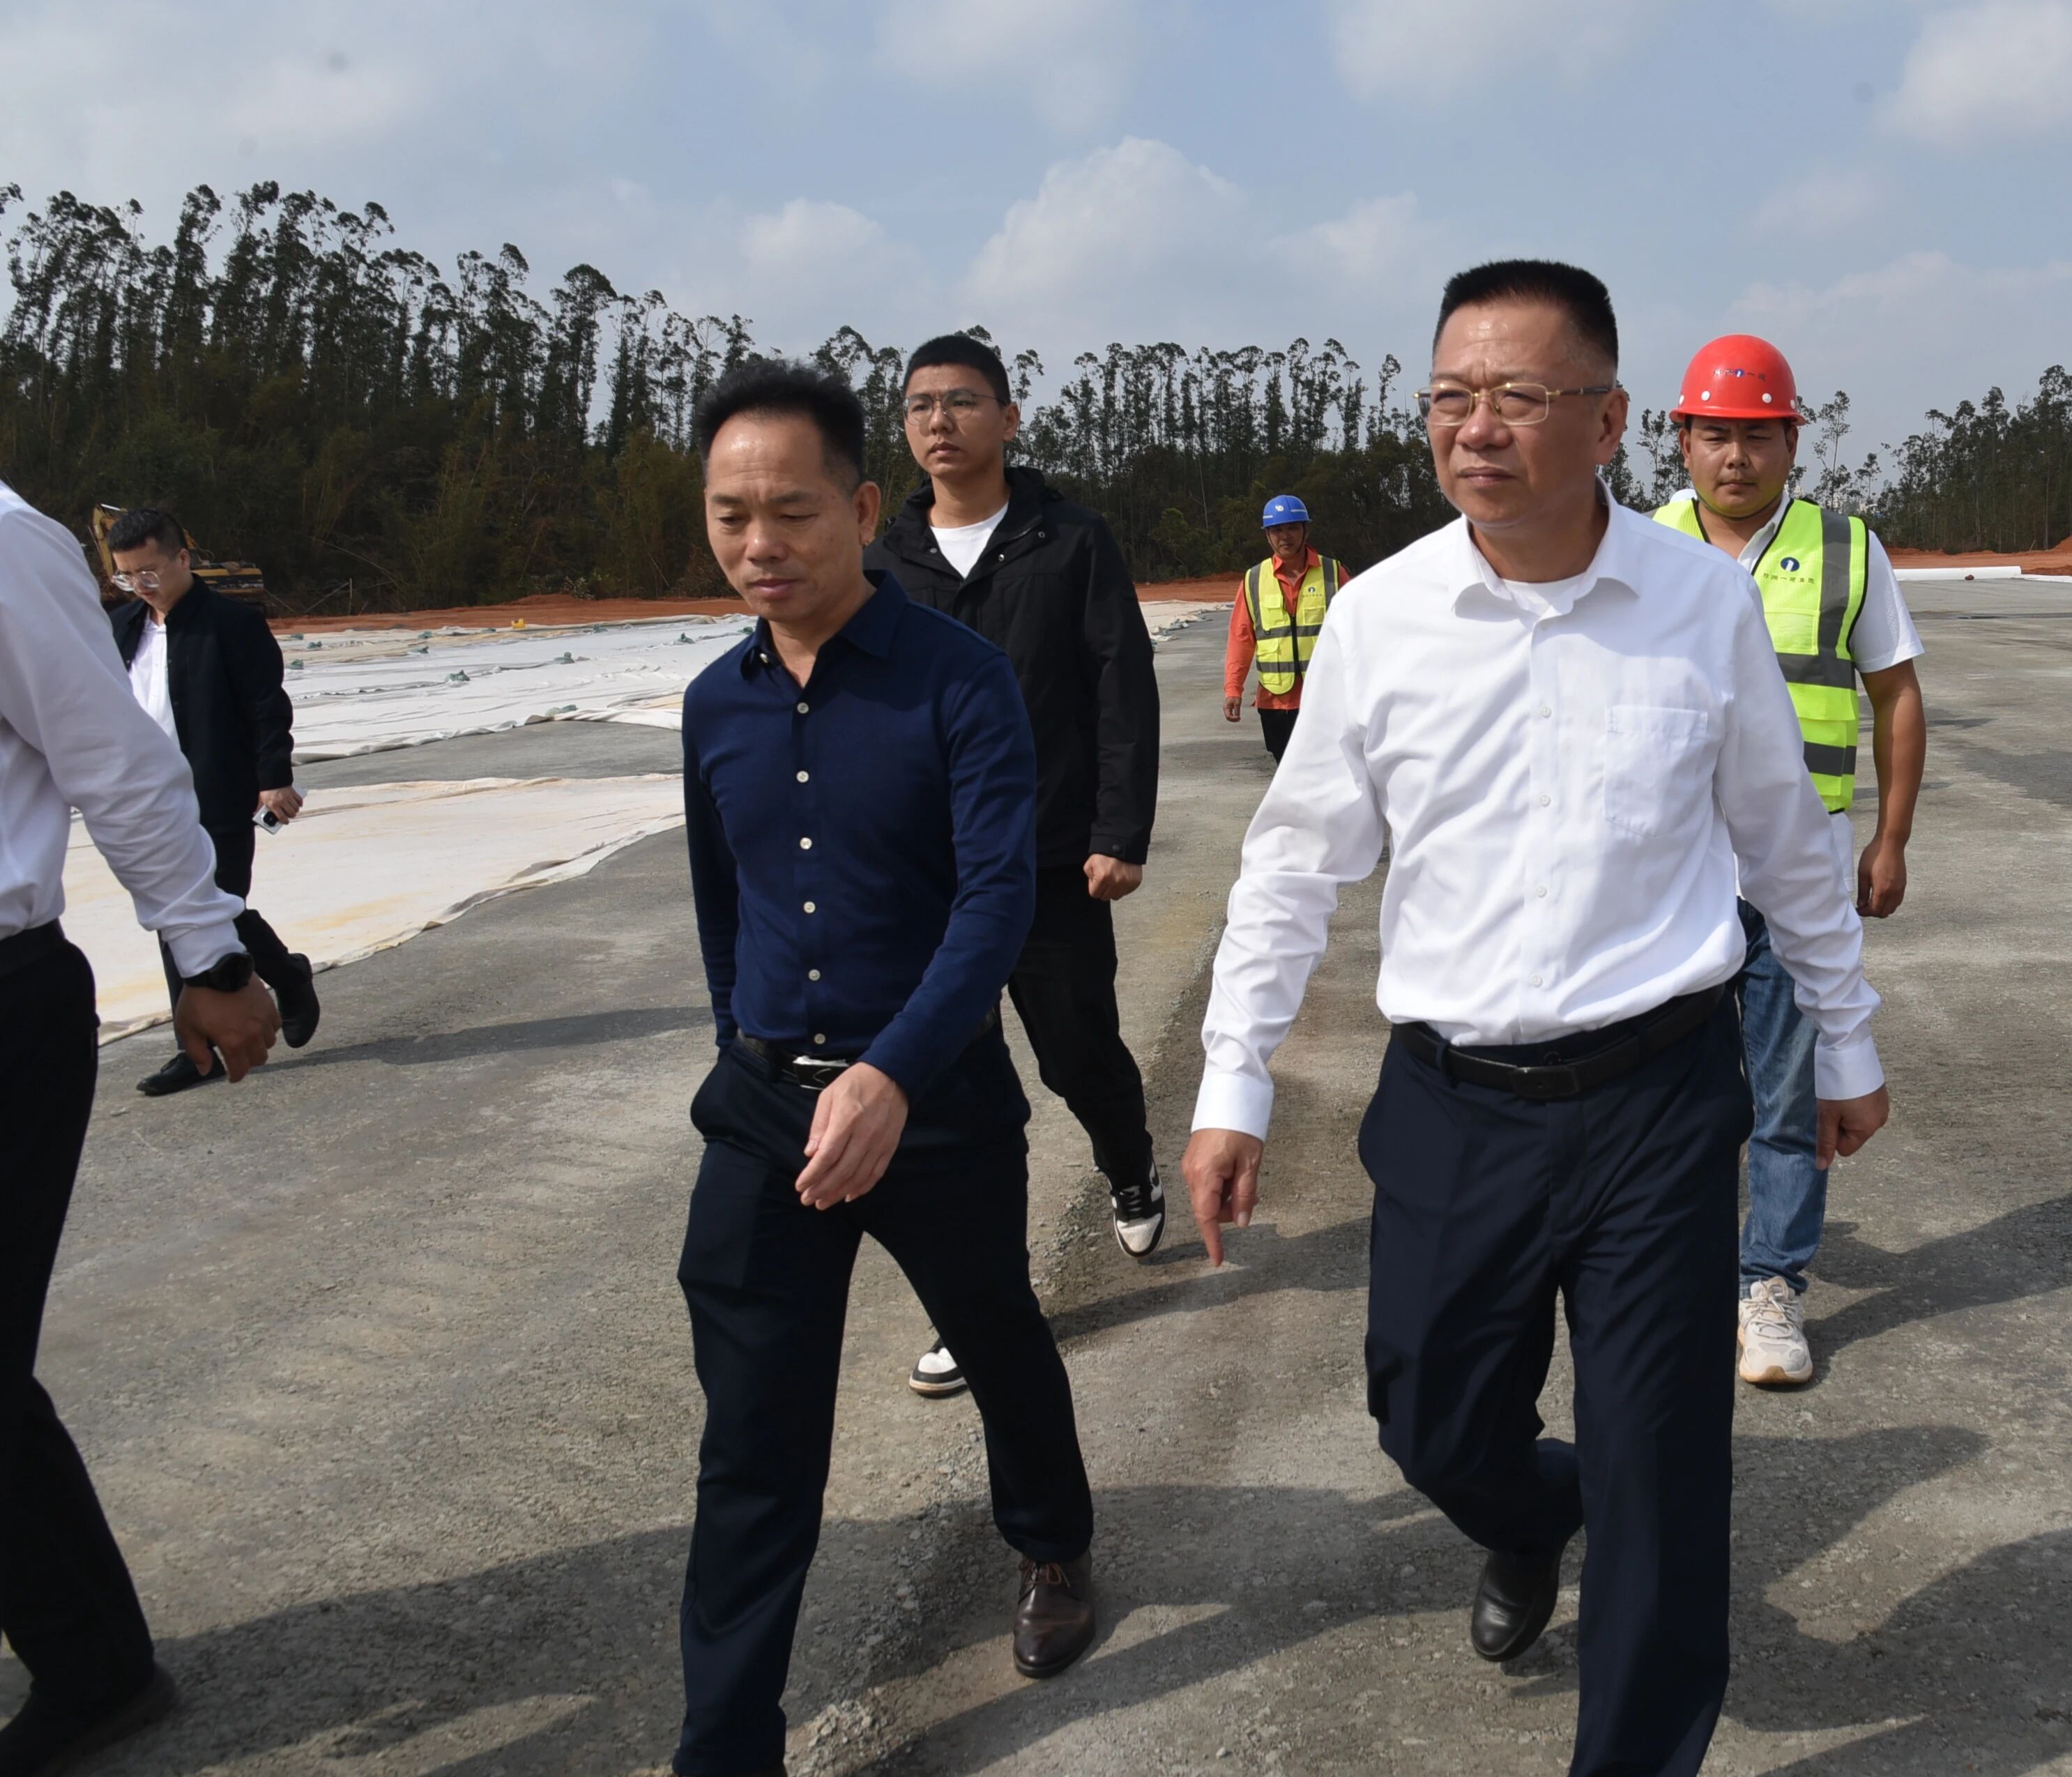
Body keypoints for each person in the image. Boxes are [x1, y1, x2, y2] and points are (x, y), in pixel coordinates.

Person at [1182, 261, 1890, 1777]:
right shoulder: (1380, 618)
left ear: (1608, 421)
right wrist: (1233, 1080)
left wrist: (1845, 1037)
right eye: (1451, 396)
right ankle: (1532, 1512)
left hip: (1658, 1096)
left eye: (1518, 396)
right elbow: (1294, 866)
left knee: (1663, 1477)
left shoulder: (1698, 605)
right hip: (1456, 1102)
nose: (1476, 427)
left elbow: (1786, 844)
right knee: (1429, 1421)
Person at [675, 362, 1101, 1776]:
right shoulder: (714, 704)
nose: (760, 544)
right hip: (766, 1111)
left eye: (791, 512)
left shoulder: (958, 682)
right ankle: (726, 1742)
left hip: (935, 1103)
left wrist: (893, 1071)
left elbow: (995, 902)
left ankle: (1051, 1542)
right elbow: (724, 907)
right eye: (731, 515)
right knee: (751, 1441)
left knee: (995, 1334)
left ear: (862, 510)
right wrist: (751, 1056)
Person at [1, 476, 282, 1772]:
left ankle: (98, 1668)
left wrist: (210, 958)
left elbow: (112, 760)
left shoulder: (6, 545)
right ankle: (92, 1655)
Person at [864, 333, 1167, 1414]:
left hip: (1048, 863)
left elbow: (1121, 685)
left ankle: (1129, 1162)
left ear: (1009, 417)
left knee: (1077, 1055)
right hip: (926, 882)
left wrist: (1120, 831)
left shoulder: (1069, 539)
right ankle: (976, 1304)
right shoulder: (884, 561)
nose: (938, 420)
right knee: (952, 1095)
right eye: (919, 405)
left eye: (961, 400)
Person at [1651, 336, 1925, 1390]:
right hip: (1670, 879)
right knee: (1665, 1098)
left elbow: (1895, 694)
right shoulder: (1636, 546)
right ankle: (1671, 1273)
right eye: (1715, 434)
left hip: (1796, 884)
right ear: (1681, 439)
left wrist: (1892, 837)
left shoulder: (1848, 550)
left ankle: (1770, 1283)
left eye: (1758, 436)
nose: (1736, 456)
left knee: (1790, 1093)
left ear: (1792, 442)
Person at [102, 509, 319, 1093]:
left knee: (218, 907)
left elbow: (266, 706)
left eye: (149, 572)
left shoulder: (231, 623)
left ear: (183, 558)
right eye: (126, 576)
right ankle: (203, 1045)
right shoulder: (120, 628)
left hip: (217, 791)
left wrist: (274, 778)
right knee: (174, 915)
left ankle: (278, 984)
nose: (139, 585)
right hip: (148, 799)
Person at [1221, 494, 1347, 765]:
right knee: (1287, 774)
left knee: (1328, 774)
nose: (1285, 536)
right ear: (1267, 535)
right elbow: (1241, 640)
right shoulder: (1254, 579)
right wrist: (1233, 689)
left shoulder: (1333, 573)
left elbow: (1358, 633)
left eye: (1292, 528)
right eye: (1277, 530)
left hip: (1325, 699)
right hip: (1276, 704)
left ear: (1305, 531)